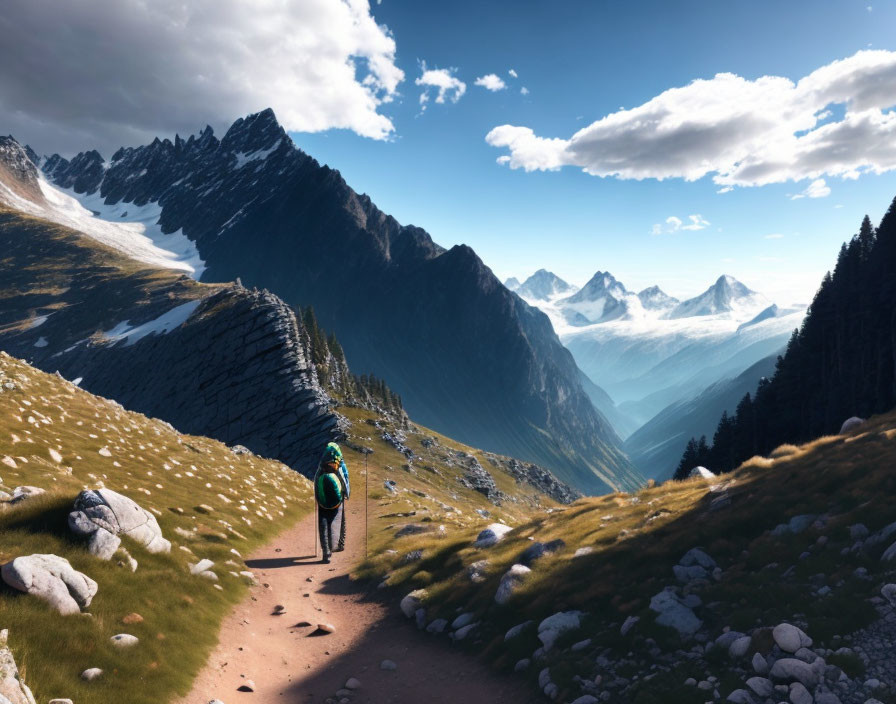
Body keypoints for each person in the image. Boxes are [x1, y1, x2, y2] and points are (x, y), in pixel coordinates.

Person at [313, 442, 350, 563]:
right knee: (339, 521)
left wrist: (318, 497)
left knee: (323, 524)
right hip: (337, 499)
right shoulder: (339, 463)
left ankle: (326, 553)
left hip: (323, 500)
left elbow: (316, 480)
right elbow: (344, 478)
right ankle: (340, 544)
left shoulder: (322, 464)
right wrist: (346, 494)